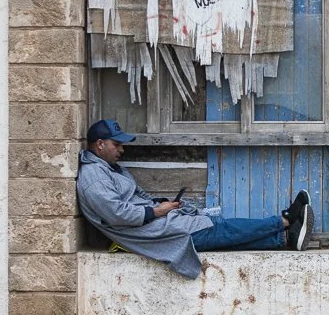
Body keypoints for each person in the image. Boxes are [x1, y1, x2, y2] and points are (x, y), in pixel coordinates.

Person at [76, 119, 313, 280]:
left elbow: (139, 196)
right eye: (117, 144)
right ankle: (284, 221)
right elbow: (118, 214)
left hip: (159, 222)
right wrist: (158, 212)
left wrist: (162, 203)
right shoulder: (94, 178)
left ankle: (284, 238)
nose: (122, 150)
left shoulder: (110, 168)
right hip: (154, 231)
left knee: (222, 235)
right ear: (100, 144)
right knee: (220, 228)